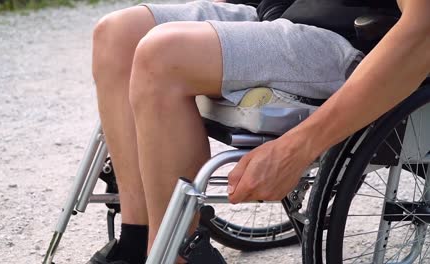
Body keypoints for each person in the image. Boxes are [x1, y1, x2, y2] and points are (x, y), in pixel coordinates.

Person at [89, 0, 430, 262]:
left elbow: (423, 29)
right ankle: (135, 243)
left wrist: (298, 149)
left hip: (355, 39)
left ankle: (175, 256)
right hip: (287, 12)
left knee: (163, 55)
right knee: (117, 33)